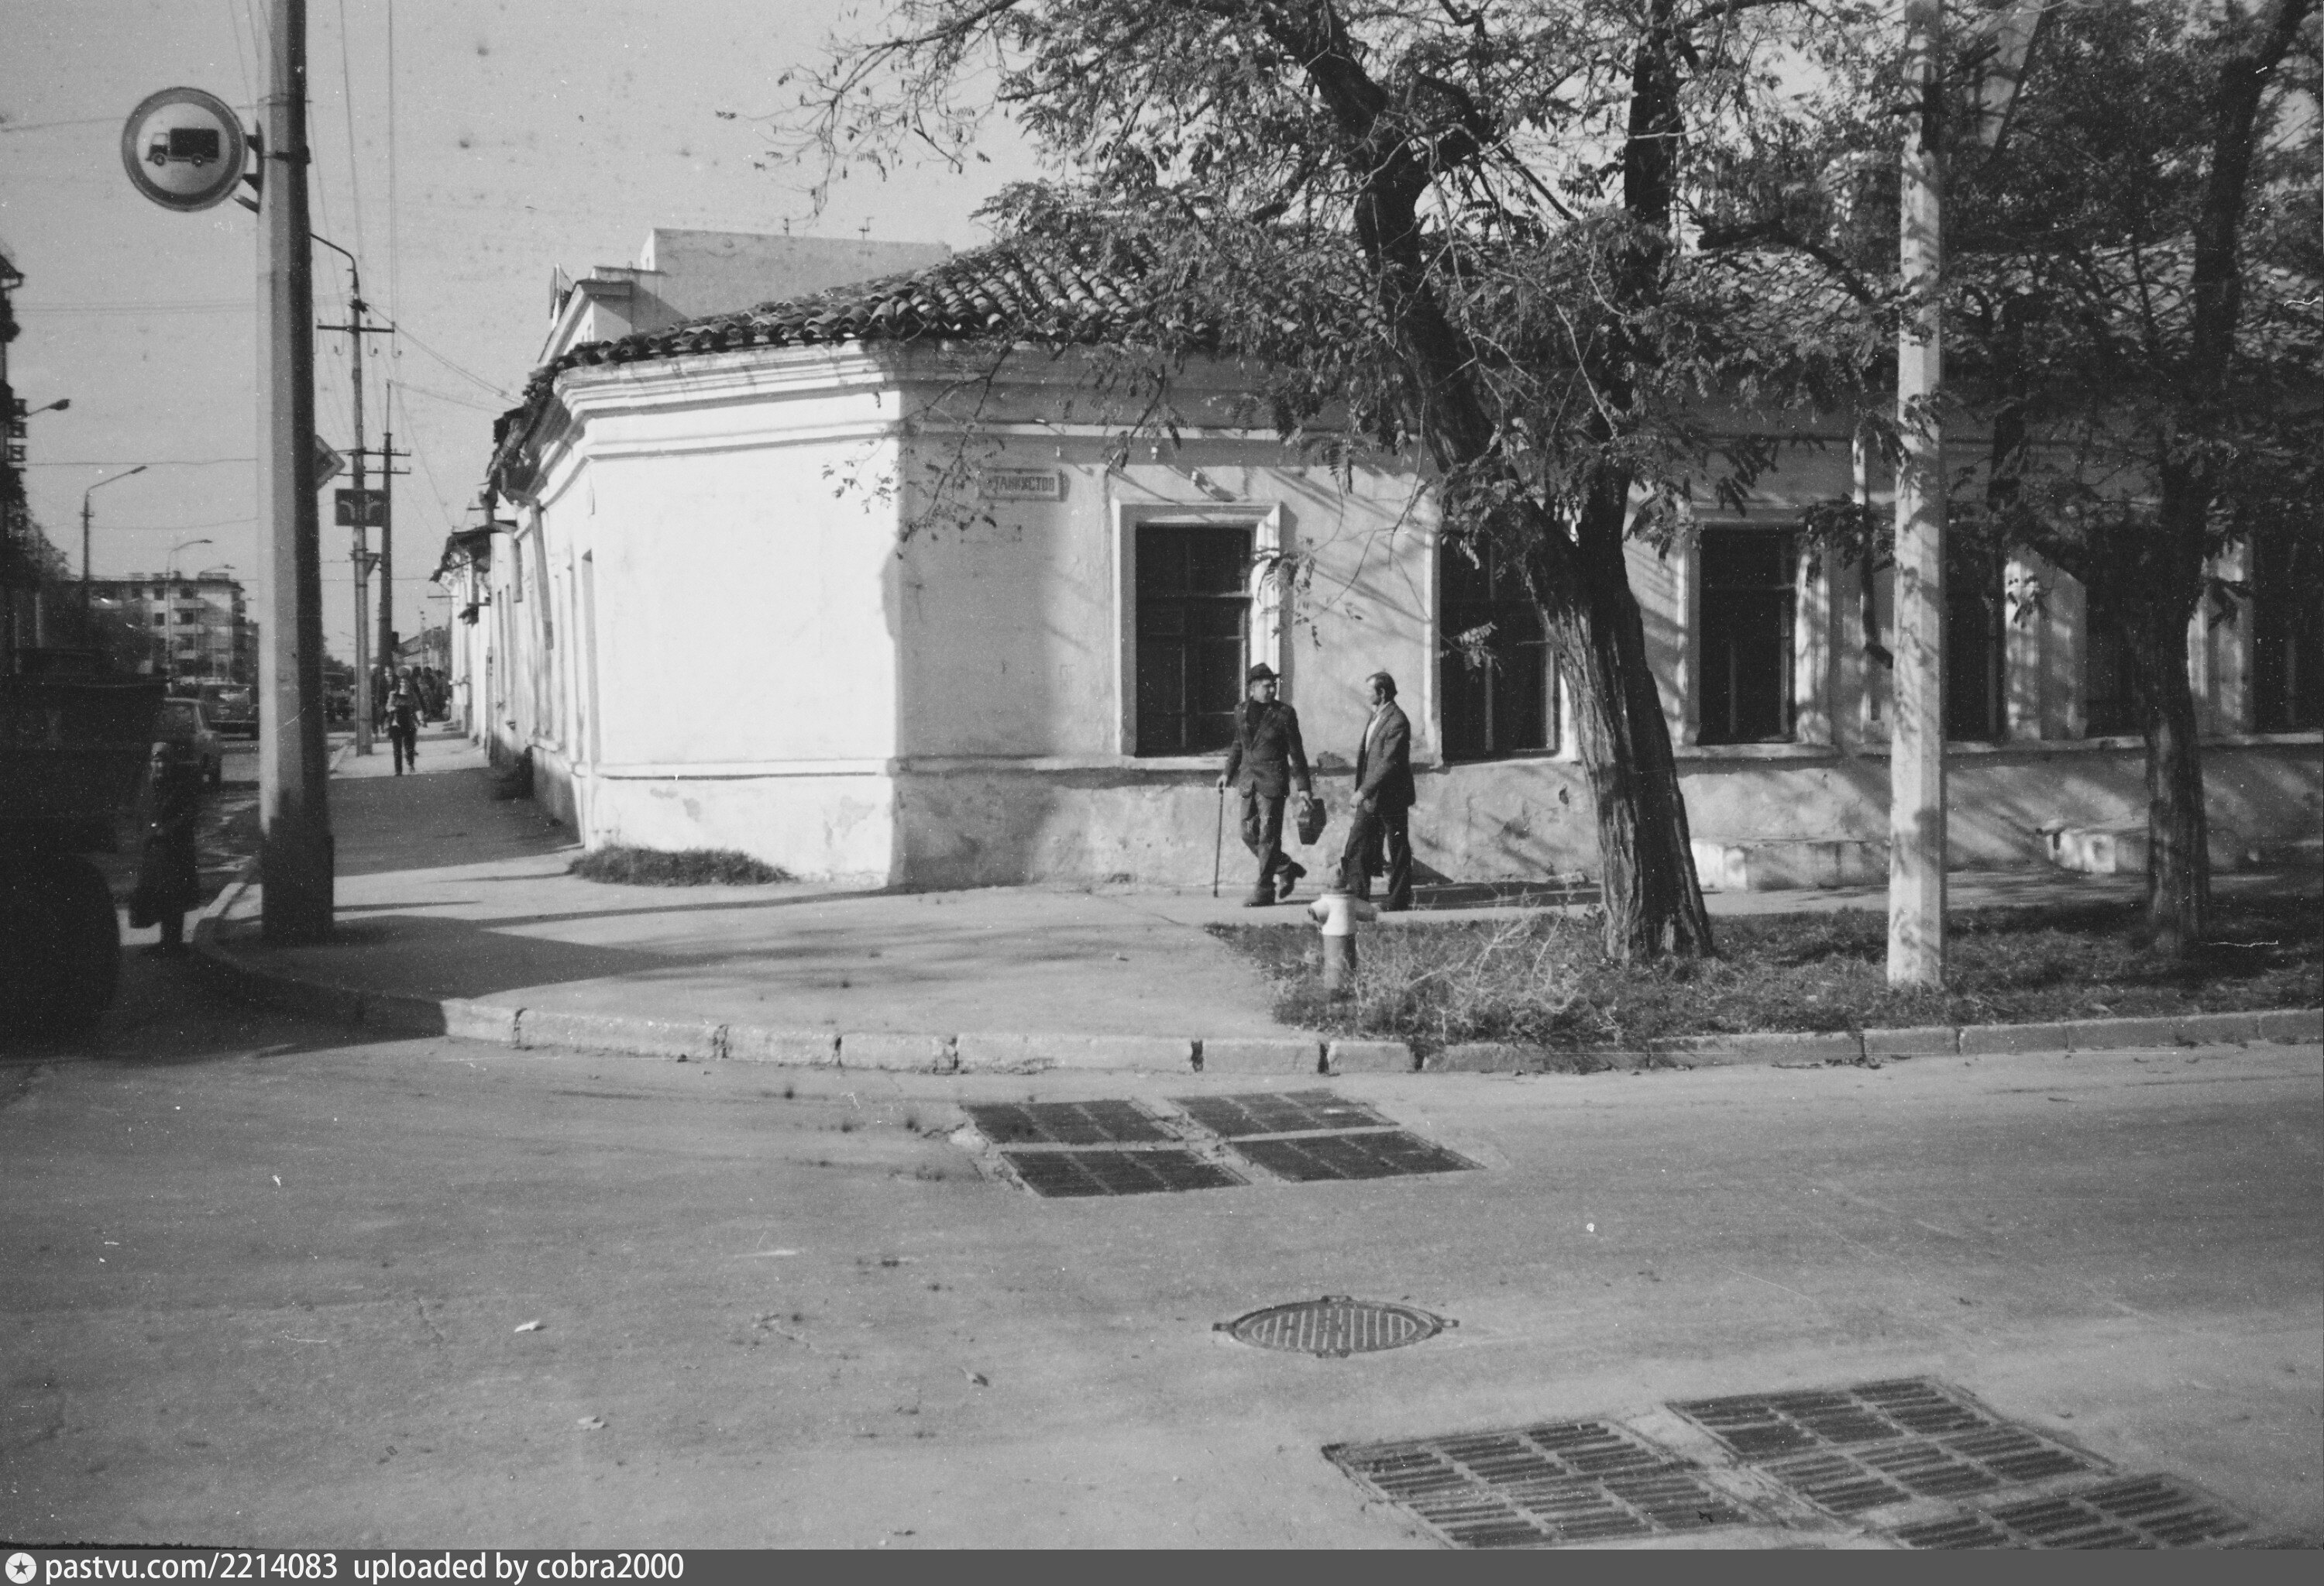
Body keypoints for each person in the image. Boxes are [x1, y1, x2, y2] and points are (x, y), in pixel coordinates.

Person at [1219, 662, 1315, 907]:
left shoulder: (1284, 714)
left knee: (1268, 837)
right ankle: (1286, 868)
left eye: (1274, 685)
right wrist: (1227, 773)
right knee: (1247, 832)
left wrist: (1303, 786)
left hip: (1273, 782)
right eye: (1266, 686)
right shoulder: (1241, 711)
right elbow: (1238, 745)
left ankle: (1264, 890)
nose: (1272, 689)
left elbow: (1296, 752)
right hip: (1248, 781)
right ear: (1252, 688)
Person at [1339, 669, 1416, 912]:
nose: (1365, 694)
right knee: (1357, 842)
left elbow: (1388, 762)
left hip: (1392, 796)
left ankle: (1399, 899)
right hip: (1372, 797)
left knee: (1397, 847)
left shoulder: (1397, 720)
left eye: (1369, 690)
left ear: (1381, 693)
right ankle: (1358, 896)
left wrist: (1362, 791)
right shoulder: (1377, 716)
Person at [129, 742, 203, 953]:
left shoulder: (181, 784)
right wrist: (144, 835)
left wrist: (169, 829)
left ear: (171, 763)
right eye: (156, 761)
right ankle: (166, 942)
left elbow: (190, 813)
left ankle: (173, 943)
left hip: (175, 850)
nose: (160, 766)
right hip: (153, 850)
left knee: (174, 896)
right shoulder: (148, 784)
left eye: (164, 761)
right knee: (158, 895)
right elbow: (141, 813)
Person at [387, 667, 422, 774]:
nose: (404, 684)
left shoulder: (412, 695)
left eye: (406, 682)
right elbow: (388, 707)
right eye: (402, 682)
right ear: (399, 683)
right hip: (396, 723)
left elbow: (417, 708)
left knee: (409, 747)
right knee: (397, 748)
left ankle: (411, 764)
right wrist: (392, 708)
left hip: (409, 723)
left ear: (409, 683)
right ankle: (398, 770)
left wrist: (420, 719)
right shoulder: (393, 694)